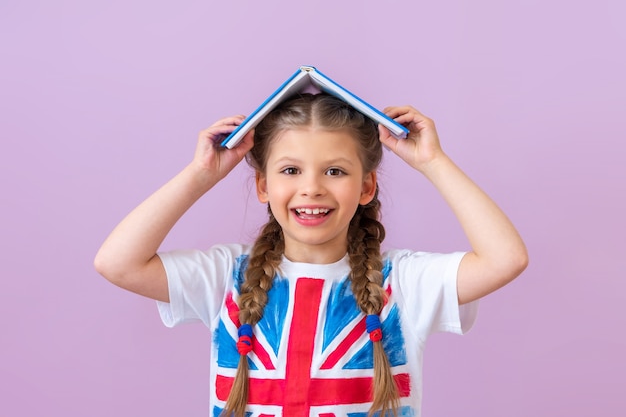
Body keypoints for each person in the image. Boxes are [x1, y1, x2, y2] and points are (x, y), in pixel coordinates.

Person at [94, 93, 528, 417]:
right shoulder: (225, 275)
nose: (312, 187)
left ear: (366, 187)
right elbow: (117, 263)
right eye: (290, 170)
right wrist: (199, 175)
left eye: (335, 171)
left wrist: (433, 161)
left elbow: (504, 259)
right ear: (263, 186)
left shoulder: (404, 281)